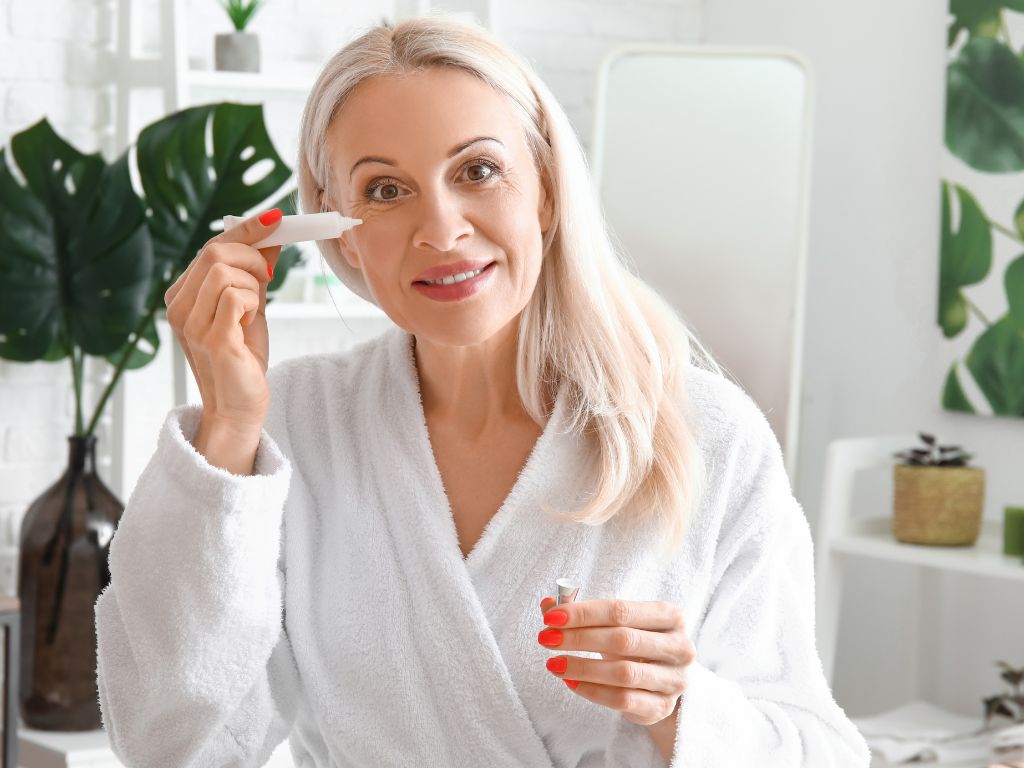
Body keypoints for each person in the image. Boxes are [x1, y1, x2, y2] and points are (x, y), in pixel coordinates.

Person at [94, 14, 871, 768]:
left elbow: (818, 751)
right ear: (339, 232)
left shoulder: (707, 438)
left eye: (478, 170)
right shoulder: (292, 431)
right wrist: (228, 429)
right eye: (386, 191)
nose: (441, 229)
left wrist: (678, 707)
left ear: (545, 188)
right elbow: (170, 745)